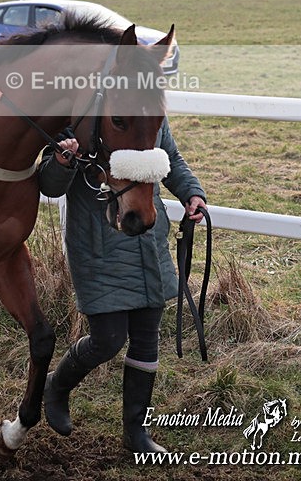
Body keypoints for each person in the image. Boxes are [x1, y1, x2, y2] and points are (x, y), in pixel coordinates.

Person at [38, 117, 208, 454]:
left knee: (146, 338)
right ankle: (55, 386)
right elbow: (50, 185)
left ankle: (136, 432)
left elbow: (170, 158)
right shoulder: (80, 113)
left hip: (148, 238)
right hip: (98, 244)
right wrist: (62, 160)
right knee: (108, 340)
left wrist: (192, 193)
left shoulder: (149, 114)